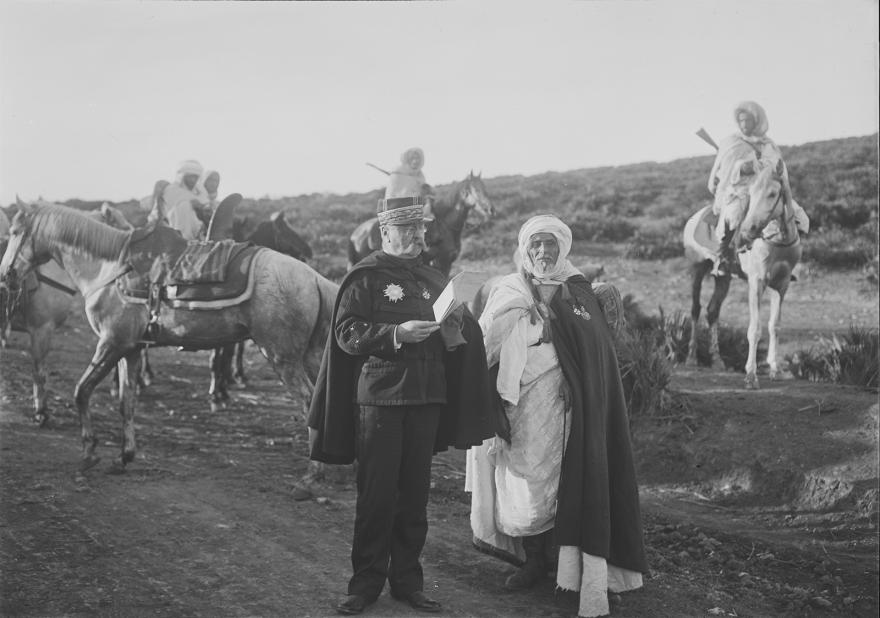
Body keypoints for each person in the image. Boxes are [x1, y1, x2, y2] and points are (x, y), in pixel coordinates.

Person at [308, 193, 494, 616]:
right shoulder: (366, 277)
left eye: (420, 228)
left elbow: (458, 338)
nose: (416, 236)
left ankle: (408, 582)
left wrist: (455, 324)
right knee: (377, 496)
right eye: (407, 229)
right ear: (385, 232)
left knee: (414, 497)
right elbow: (346, 332)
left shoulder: (432, 277)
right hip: (382, 399)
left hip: (428, 397)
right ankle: (364, 585)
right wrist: (395, 334)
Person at [465, 214, 648, 618]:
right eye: (536, 244)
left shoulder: (577, 290)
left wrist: (576, 381)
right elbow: (485, 343)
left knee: (570, 483)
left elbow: (591, 351)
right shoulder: (510, 289)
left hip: (567, 405)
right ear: (525, 249)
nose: (543, 251)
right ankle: (534, 561)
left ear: (562, 247)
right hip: (518, 402)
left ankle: (568, 568)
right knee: (527, 486)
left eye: (550, 244)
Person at [707, 101, 808, 275]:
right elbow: (726, 170)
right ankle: (725, 258)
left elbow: (776, 165)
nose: (744, 124)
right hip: (740, 189)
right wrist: (742, 167)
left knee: (797, 216)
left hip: (763, 188)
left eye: (748, 120)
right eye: (741, 121)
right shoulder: (732, 142)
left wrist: (763, 165)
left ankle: (792, 258)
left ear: (756, 122)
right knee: (733, 215)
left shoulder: (768, 144)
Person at [146, 159, 208, 240]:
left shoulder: (201, 192)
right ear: (183, 176)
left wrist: (200, 207)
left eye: (195, 177)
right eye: (190, 177)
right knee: (184, 206)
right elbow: (165, 213)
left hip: (199, 229)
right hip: (173, 228)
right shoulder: (171, 190)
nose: (193, 180)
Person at [385, 147, 436, 216]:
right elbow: (393, 196)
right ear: (407, 160)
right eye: (412, 158)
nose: (415, 161)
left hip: (417, 209)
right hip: (398, 211)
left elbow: (423, 194)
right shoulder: (397, 173)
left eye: (418, 158)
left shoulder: (421, 176)